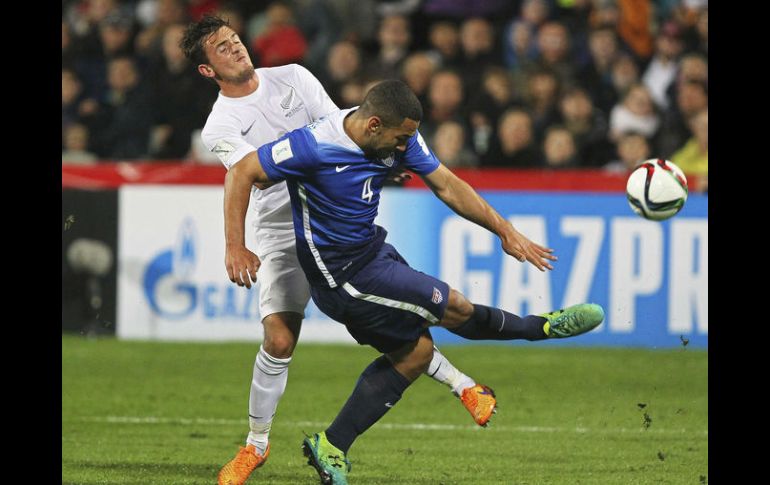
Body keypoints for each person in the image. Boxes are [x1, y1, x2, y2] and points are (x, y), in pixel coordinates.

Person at [223, 79, 605, 484]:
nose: (406, 147)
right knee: (453, 305)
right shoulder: (313, 145)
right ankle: (538, 328)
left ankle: (331, 445)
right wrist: (235, 246)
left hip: (374, 253)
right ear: (374, 125)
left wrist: (504, 230)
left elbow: (447, 184)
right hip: (342, 277)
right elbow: (242, 172)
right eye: (401, 138)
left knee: (416, 355)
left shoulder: (395, 137)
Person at [181, 15, 497, 485]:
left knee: (390, 327)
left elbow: (341, 130)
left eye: (235, 40)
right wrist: (235, 245)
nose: (236, 48)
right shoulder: (219, 125)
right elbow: (248, 175)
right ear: (208, 70)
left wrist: (379, 160)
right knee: (279, 340)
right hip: (280, 229)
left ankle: (464, 386)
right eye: (222, 49)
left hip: (334, 223)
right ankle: (255, 446)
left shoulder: (294, 77)